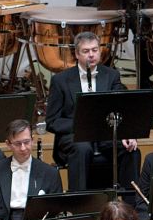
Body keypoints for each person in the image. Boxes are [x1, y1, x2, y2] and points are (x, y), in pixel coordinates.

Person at [44, 31, 140, 192]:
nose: (91, 55)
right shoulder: (60, 80)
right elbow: (52, 121)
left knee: (130, 149)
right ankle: (80, 202)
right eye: (86, 51)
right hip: (74, 136)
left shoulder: (111, 75)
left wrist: (127, 133)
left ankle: (131, 203)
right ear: (76, 54)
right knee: (82, 148)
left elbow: (121, 109)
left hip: (105, 135)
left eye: (95, 50)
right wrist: (82, 125)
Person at [0, 119, 64, 220]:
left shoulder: (50, 173)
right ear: (8, 144)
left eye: (26, 142)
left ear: (32, 140)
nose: (23, 148)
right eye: (17, 144)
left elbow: (56, 212)